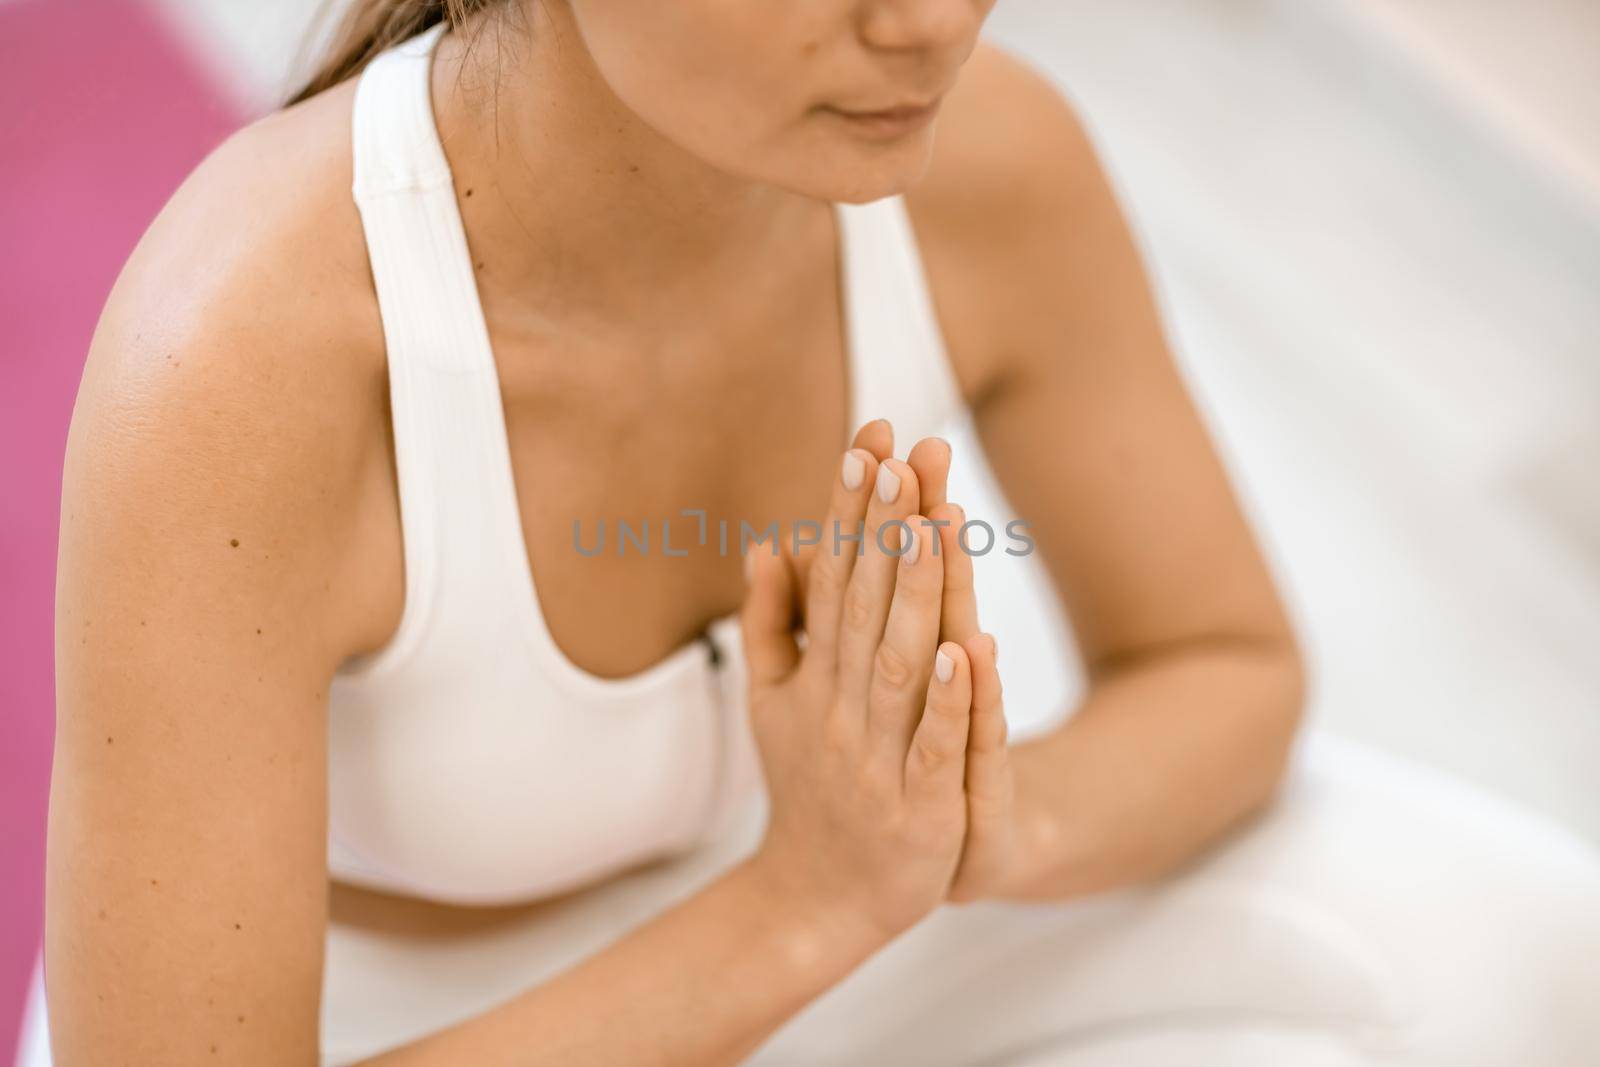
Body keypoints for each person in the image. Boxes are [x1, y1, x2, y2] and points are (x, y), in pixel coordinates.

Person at [38, 2, 1600, 1064]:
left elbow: (1227, 666)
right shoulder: (247, 357)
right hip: (413, 1027)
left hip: (846, 919)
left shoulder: (990, 160)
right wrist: (811, 899)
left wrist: (973, 827)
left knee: (1543, 952)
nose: (927, 21)